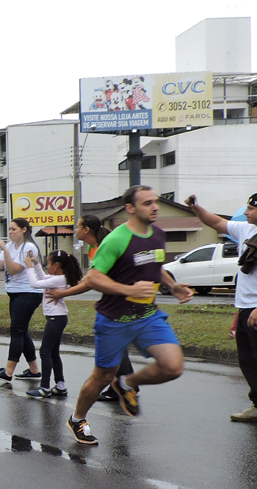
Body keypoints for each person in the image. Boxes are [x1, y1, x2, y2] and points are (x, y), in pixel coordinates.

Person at [67, 186, 192, 445]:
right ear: (130, 208)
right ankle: (78, 418)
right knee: (102, 376)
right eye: (147, 203)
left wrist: (173, 285)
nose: (155, 207)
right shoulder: (116, 239)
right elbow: (93, 277)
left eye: (155, 202)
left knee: (173, 367)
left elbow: (155, 266)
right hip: (114, 320)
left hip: (147, 316)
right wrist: (128, 289)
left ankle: (126, 383)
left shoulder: (158, 234)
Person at [187, 191, 257, 426]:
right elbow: (215, 222)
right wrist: (195, 207)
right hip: (246, 307)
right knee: (248, 359)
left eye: (251, 209)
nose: (246, 212)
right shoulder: (246, 229)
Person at [45, 214, 134, 401]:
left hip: (122, 297)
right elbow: (91, 279)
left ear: (86, 230)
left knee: (112, 342)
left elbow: (90, 283)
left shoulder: (103, 246)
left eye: (77, 227)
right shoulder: (94, 248)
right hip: (114, 298)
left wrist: (64, 293)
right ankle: (125, 385)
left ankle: (123, 386)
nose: (75, 230)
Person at [0, 218, 43, 382]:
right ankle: (34, 370)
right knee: (22, 330)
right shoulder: (11, 246)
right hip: (14, 292)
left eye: (14, 229)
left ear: (24, 230)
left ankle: (8, 371)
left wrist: (4, 249)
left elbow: (13, 270)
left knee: (16, 330)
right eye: (9, 229)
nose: (10, 232)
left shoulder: (29, 247)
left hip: (29, 293)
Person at [24, 249, 82, 399]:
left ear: (56, 265)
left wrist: (29, 267)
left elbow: (35, 283)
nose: (46, 266)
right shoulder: (59, 278)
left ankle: (44, 387)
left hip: (56, 318)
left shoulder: (59, 279)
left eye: (47, 263)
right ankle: (60, 385)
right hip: (58, 317)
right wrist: (36, 264)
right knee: (53, 352)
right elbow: (43, 278)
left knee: (45, 351)